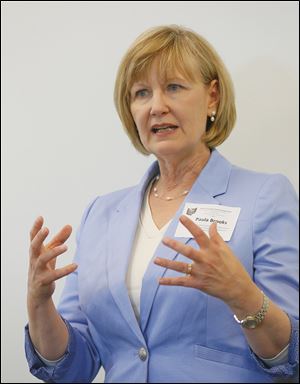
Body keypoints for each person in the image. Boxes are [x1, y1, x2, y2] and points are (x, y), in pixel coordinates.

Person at [25, 25, 299, 383]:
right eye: (141, 93)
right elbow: (73, 367)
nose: (157, 106)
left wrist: (242, 295)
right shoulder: (102, 214)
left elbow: (289, 356)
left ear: (212, 97)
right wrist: (39, 303)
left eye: (174, 87)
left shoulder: (265, 196)